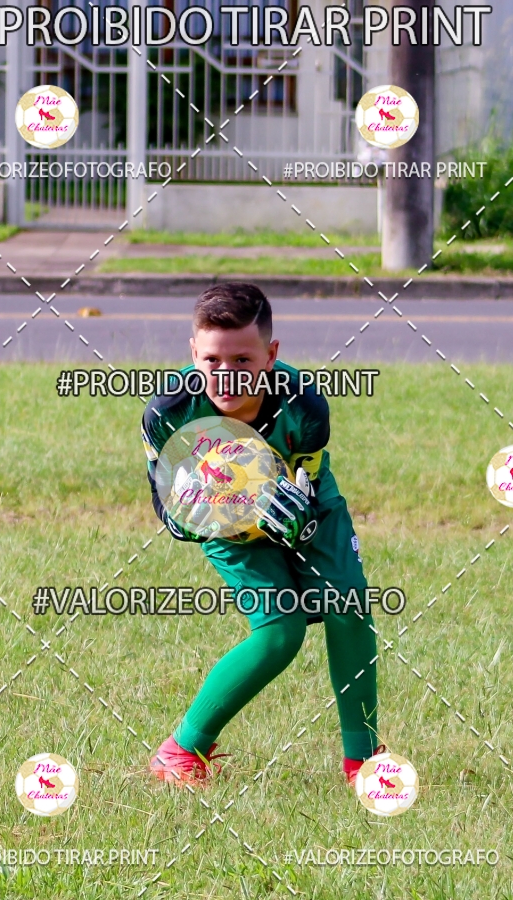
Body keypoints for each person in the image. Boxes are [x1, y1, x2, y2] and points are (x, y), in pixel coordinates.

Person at [141, 282, 381, 788]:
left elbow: (308, 482)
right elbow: (167, 507)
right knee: (279, 630)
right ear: (193, 353)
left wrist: (295, 517)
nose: (226, 374)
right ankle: (181, 750)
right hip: (222, 521)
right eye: (212, 360)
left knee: (348, 606)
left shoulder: (305, 406)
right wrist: (200, 512)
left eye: (243, 360)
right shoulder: (168, 413)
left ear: (271, 355)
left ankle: (362, 761)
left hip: (301, 501)